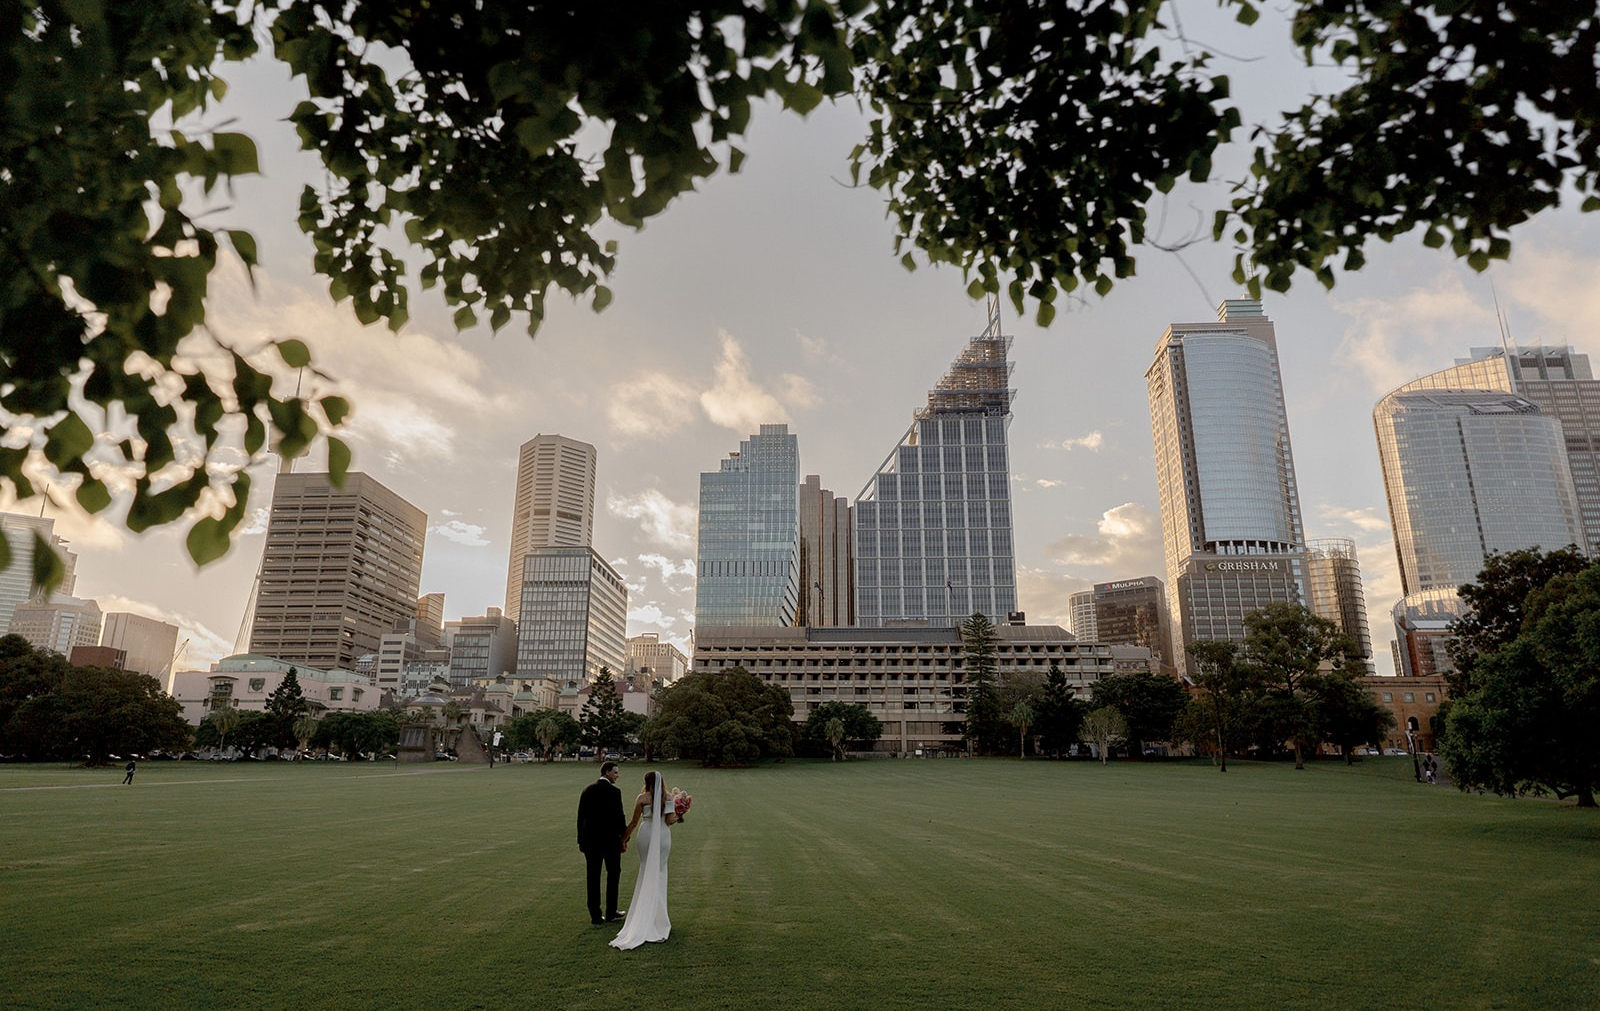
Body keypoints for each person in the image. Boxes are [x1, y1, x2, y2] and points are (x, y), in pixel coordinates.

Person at [610, 770, 680, 950]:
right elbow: (671, 820)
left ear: (646, 782)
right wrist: (681, 812)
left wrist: (623, 839)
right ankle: (658, 918)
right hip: (663, 835)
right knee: (660, 871)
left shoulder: (642, 798)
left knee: (645, 869)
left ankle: (644, 914)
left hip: (646, 834)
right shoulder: (669, 797)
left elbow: (633, 822)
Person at [577, 761, 628, 925]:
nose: (617, 775)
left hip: (591, 842)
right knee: (613, 875)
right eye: (615, 772)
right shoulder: (614, 792)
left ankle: (596, 915)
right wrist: (624, 838)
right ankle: (611, 911)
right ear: (606, 772)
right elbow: (620, 817)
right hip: (610, 841)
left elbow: (580, 818)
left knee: (593, 877)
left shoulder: (587, 790)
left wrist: (581, 841)